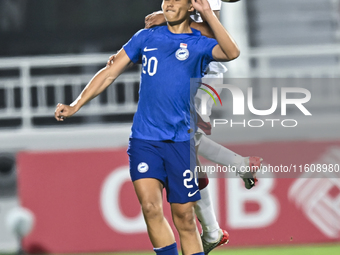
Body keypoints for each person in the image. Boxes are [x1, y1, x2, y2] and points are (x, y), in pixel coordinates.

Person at [55, 0, 239, 254]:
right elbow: (110, 72)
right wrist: (76, 105)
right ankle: (213, 224)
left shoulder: (199, 43)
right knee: (151, 208)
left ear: (190, 7)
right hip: (145, 140)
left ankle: (213, 225)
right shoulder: (145, 37)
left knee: (184, 218)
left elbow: (232, 52)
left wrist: (207, 12)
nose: (169, 2)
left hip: (179, 142)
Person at [142, 1, 262, 254]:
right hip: (184, 70)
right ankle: (212, 231)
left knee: (185, 138)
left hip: (204, 71)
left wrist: (167, 19)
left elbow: (209, 30)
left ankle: (213, 227)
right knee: (187, 148)